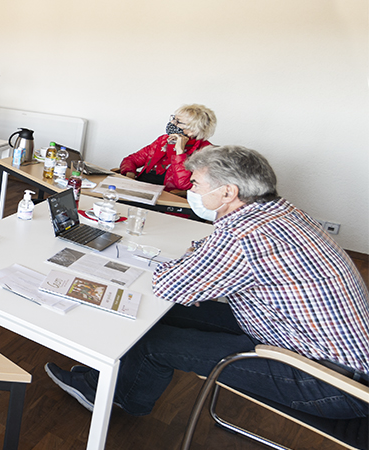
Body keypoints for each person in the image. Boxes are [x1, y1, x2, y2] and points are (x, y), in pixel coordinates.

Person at [46, 146, 369, 427]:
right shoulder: (279, 212)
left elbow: (172, 285)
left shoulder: (244, 235)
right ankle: (107, 377)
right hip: (305, 341)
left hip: (330, 382)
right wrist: (196, 276)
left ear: (228, 192)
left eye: (197, 184)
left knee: (152, 340)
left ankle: (121, 398)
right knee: (163, 315)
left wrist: (190, 277)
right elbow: (199, 266)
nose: (192, 191)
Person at [117, 104, 217, 195]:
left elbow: (184, 185)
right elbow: (131, 159)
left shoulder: (206, 151)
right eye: (173, 119)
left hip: (167, 196)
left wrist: (180, 152)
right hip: (141, 189)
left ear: (193, 130)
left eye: (178, 122)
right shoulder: (164, 140)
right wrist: (130, 174)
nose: (172, 123)